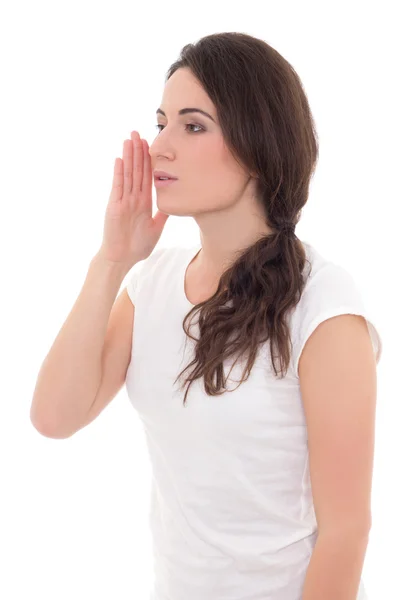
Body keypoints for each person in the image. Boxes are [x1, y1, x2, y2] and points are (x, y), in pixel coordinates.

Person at [31, 32, 382, 600]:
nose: (160, 145)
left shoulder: (323, 306)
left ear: (257, 145)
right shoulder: (151, 285)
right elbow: (54, 417)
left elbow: (347, 531)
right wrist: (111, 260)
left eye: (192, 126)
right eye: (162, 120)